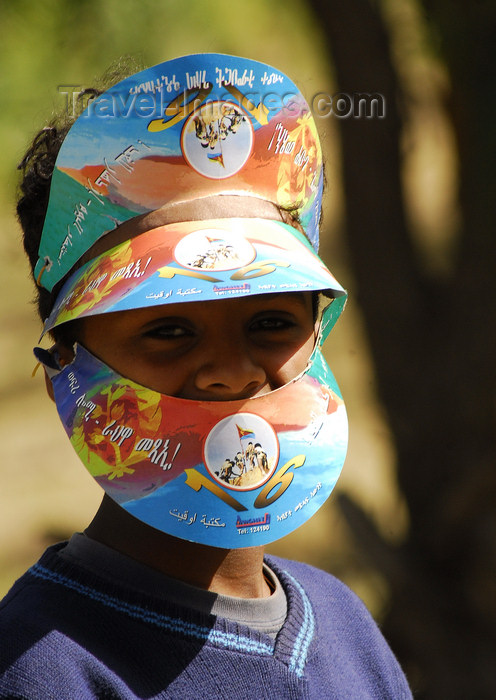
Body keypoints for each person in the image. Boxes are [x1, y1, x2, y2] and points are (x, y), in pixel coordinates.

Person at [0, 54, 412, 699]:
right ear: (69, 357)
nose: (232, 371)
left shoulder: (342, 624)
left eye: (271, 321)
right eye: (167, 330)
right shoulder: (46, 669)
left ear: (319, 328)